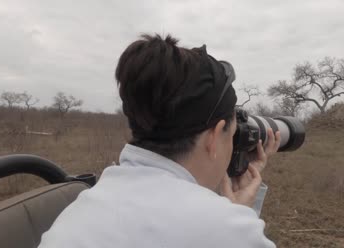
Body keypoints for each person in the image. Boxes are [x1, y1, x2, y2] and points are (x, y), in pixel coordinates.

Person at [38, 34, 281, 247]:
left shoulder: (74, 215)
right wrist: (237, 218)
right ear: (215, 135)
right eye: (233, 134)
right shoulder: (228, 232)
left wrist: (232, 215)